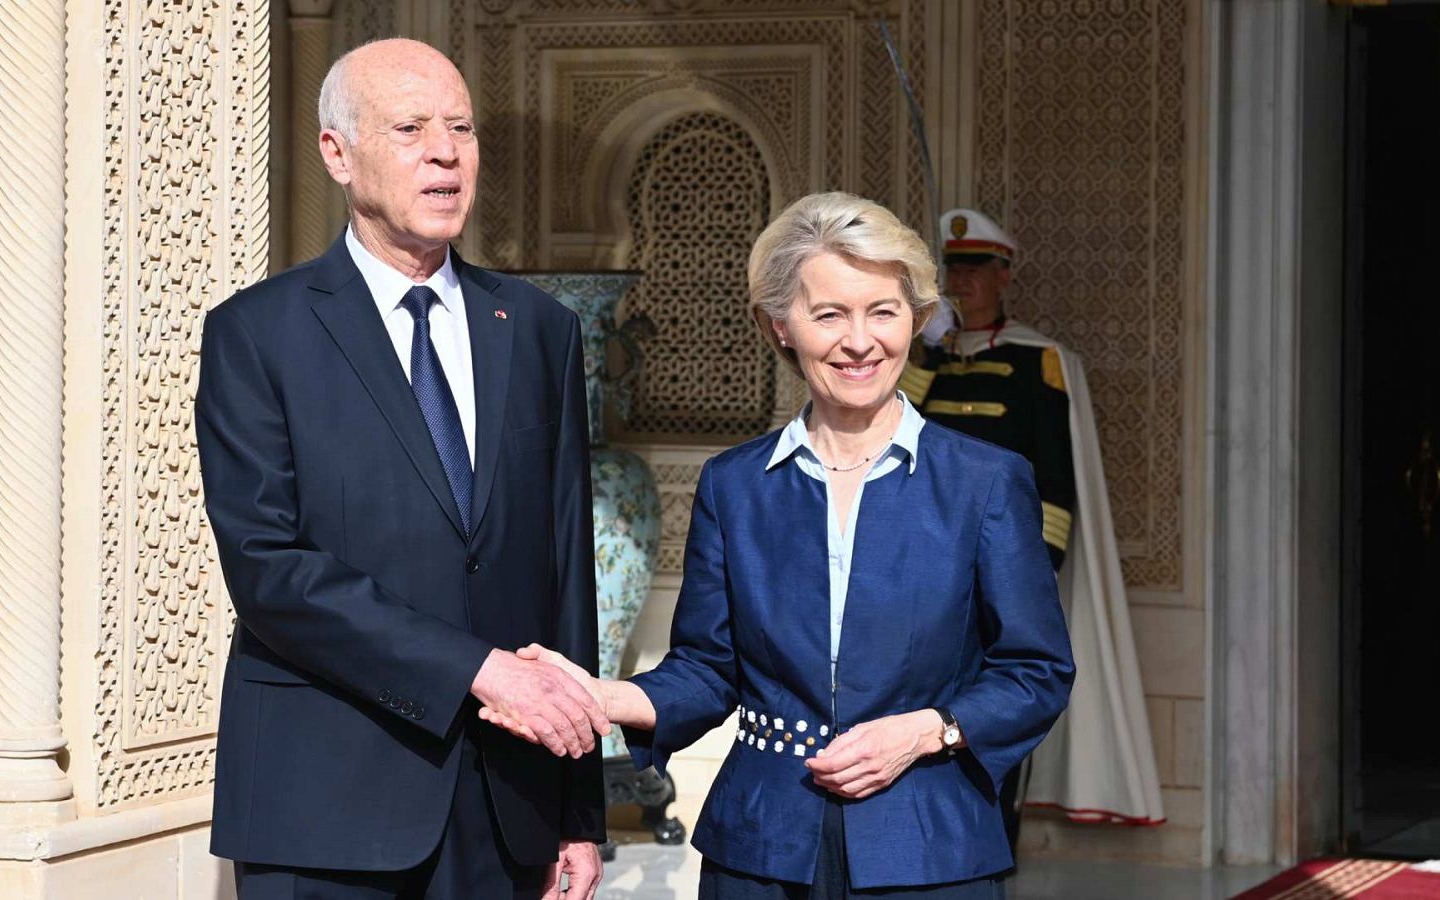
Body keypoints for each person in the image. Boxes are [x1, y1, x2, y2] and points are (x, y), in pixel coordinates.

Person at [485, 192, 1075, 898]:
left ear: (916, 319)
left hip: (930, 852)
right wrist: (604, 696)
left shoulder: (986, 481)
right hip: (760, 851)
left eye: (883, 312)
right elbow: (708, 671)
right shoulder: (734, 485)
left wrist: (928, 731)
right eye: (829, 314)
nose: (860, 341)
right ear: (780, 326)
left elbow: (1036, 671)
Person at [196, 38, 609, 900]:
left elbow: (566, 568)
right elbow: (270, 570)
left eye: (461, 127)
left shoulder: (539, 330)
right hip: (325, 805)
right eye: (411, 128)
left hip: (508, 802)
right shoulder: (258, 333)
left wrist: (576, 807)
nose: (446, 153)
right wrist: (476, 670)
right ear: (337, 154)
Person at [902, 208, 1165, 835]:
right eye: (954, 270)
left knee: (994, 701)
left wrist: (1036, 567)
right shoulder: (925, 357)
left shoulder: (1038, 359)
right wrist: (926, 349)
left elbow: (1053, 471)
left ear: (1003, 276)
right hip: (920, 559)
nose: (962, 281)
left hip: (999, 560)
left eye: (975, 269)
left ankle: (996, 832)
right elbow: (887, 424)